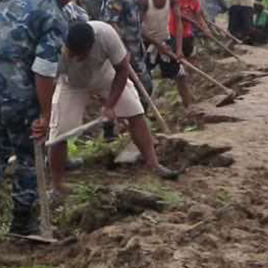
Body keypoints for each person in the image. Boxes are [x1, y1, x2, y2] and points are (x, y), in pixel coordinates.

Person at [0, 0, 81, 244]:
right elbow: (43, 71)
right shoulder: (55, 16)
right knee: (30, 156)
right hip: (20, 96)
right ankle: (21, 221)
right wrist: (44, 114)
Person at [49, 21, 179, 193]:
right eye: (72, 53)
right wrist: (45, 113)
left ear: (91, 45)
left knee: (135, 112)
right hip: (71, 83)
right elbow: (46, 82)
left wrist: (110, 105)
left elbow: (122, 69)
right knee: (59, 133)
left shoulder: (105, 34)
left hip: (105, 75)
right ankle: (57, 185)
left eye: (80, 54)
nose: (76, 58)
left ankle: (153, 163)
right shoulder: (54, 46)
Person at [136, 0, 192, 107]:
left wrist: (178, 49)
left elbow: (178, 22)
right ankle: (143, 113)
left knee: (180, 75)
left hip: (165, 41)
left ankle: (189, 108)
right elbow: (137, 28)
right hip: (146, 44)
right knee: (143, 80)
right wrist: (156, 44)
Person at [101, 0, 151, 96]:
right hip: (124, 51)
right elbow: (110, 23)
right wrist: (122, 52)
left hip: (135, 48)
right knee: (141, 88)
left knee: (141, 89)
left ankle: (131, 117)